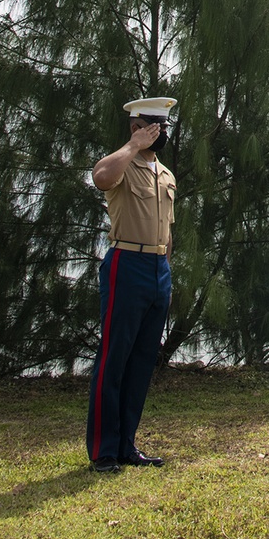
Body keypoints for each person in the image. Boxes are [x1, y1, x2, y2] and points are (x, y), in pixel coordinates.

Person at [85, 96, 177, 473]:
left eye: (163, 127)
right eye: (152, 126)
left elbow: (169, 230)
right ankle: (104, 451)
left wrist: (166, 270)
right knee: (114, 359)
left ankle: (126, 446)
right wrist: (132, 146)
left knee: (141, 362)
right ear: (137, 128)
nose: (160, 133)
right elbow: (100, 177)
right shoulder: (122, 164)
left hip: (158, 268)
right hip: (126, 262)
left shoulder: (166, 175)